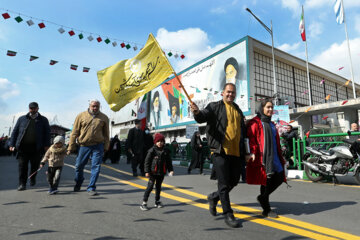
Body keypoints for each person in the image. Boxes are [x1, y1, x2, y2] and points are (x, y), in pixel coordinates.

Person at [190, 83, 248, 228]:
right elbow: (202, 116)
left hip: (236, 152)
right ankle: (228, 213)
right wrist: (197, 112)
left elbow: (243, 131)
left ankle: (214, 197)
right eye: (228, 92)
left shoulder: (237, 109)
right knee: (223, 183)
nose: (231, 95)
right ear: (222, 93)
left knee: (233, 181)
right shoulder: (214, 106)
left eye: (233, 93)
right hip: (219, 151)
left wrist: (246, 152)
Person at [246, 98, 287, 218]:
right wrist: (252, 152)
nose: (270, 109)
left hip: (274, 156)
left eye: (271, 107)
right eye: (268, 107)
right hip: (262, 157)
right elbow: (251, 139)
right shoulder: (255, 122)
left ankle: (262, 198)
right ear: (262, 108)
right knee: (266, 181)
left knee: (279, 177)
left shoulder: (272, 124)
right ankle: (266, 208)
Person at [67, 99, 109, 196]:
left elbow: (106, 134)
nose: (95, 108)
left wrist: (106, 146)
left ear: (99, 107)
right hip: (84, 146)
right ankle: (79, 181)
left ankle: (91, 187)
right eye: (93, 106)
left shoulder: (104, 117)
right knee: (78, 166)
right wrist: (70, 147)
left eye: (97, 106)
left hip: (98, 146)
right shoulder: (81, 116)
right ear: (89, 106)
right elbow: (74, 132)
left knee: (96, 167)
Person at [9, 102, 51, 191]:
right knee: (22, 167)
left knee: (34, 166)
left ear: (38, 109)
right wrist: (12, 144)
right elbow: (15, 132)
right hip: (22, 148)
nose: (33, 110)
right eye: (31, 108)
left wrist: (47, 145)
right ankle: (22, 184)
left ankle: (32, 178)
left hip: (36, 148)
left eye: (34, 108)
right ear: (29, 109)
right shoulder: (22, 119)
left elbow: (47, 134)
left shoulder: (43, 120)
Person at [140, 133, 174, 211]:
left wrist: (171, 170)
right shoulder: (152, 150)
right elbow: (147, 161)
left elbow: (169, 162)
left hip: (161, 172)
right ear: (155, 142)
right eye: (158, 141)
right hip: (152, 172)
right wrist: (146, 171)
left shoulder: (166, 151)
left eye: (161, 141)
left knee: (158, 187)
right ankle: (144, 203)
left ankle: (157, 201)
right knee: (150, 187)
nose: (160, 143)